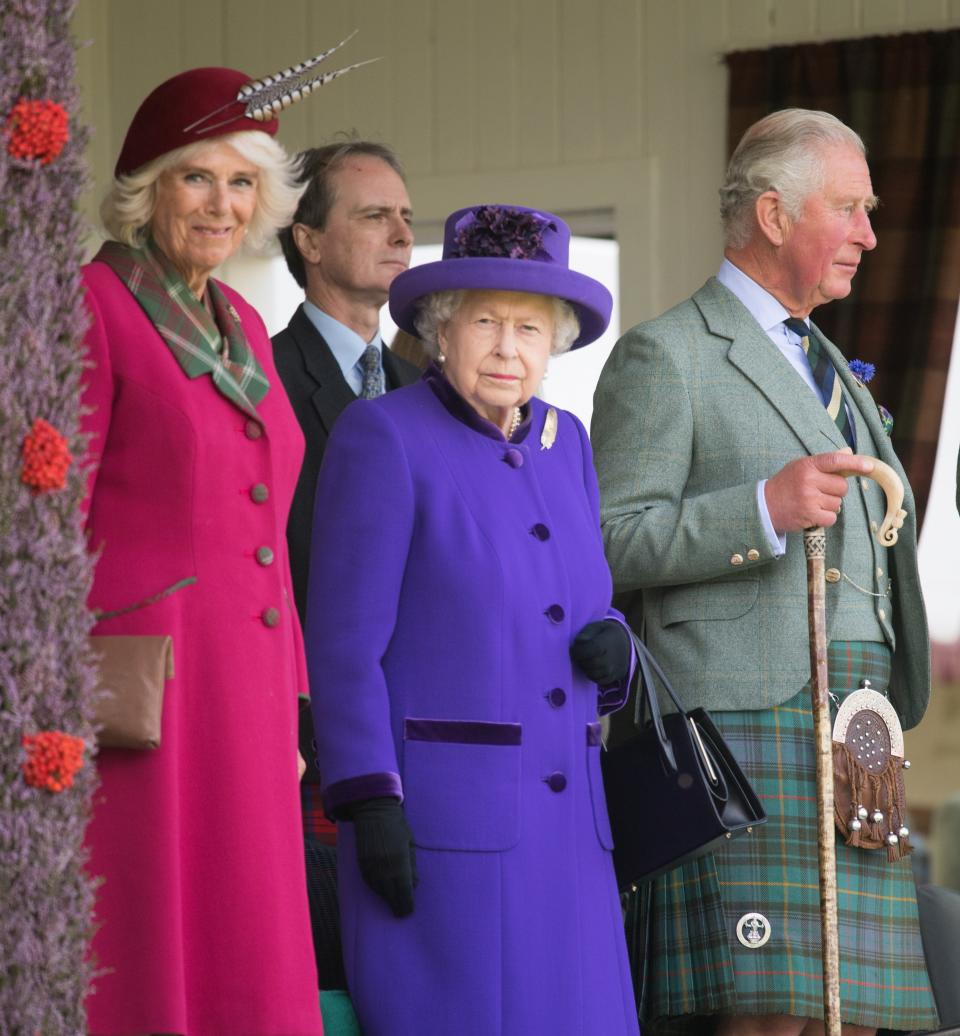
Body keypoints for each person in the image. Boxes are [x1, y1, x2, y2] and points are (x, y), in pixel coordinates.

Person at [592, 109, 938, 1036]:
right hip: (741, 724)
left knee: (853, 1016)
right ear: (776, 216)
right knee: (766, 1017)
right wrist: (760, 512)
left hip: (856, 731)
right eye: (851, 208)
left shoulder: (835, 371)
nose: (870, 233)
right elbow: (608, 540)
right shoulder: (666, 356)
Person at [304, 204, 641, 1036]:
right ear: (440, 330)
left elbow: (584, 605)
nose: (507, 347)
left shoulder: (571, 446)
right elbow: (343, 646)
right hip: (445, 838)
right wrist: (368, 799)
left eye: (530, 327)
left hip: (569, 839)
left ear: (554, 343)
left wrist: (616, 655)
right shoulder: (382, 436)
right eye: (486, 321)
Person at [78, 59, 361, 1033]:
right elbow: (46, 524)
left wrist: (289, 698)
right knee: (156, 936)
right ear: (147, 186)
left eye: (243, 182)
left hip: (246, 687)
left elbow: (268, 533)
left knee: (249, 935)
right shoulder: (94, 305)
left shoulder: (242, 320)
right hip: (143, 687)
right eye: (198, 176)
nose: (222, 203)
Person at [272, 141, 421, 1002]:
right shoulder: (263, 377)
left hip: (421, 742)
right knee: (322, 988)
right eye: (373, 215)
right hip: (310, 740)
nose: (402, 232)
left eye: (406, 214)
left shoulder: (423, 388)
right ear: (310, 242)